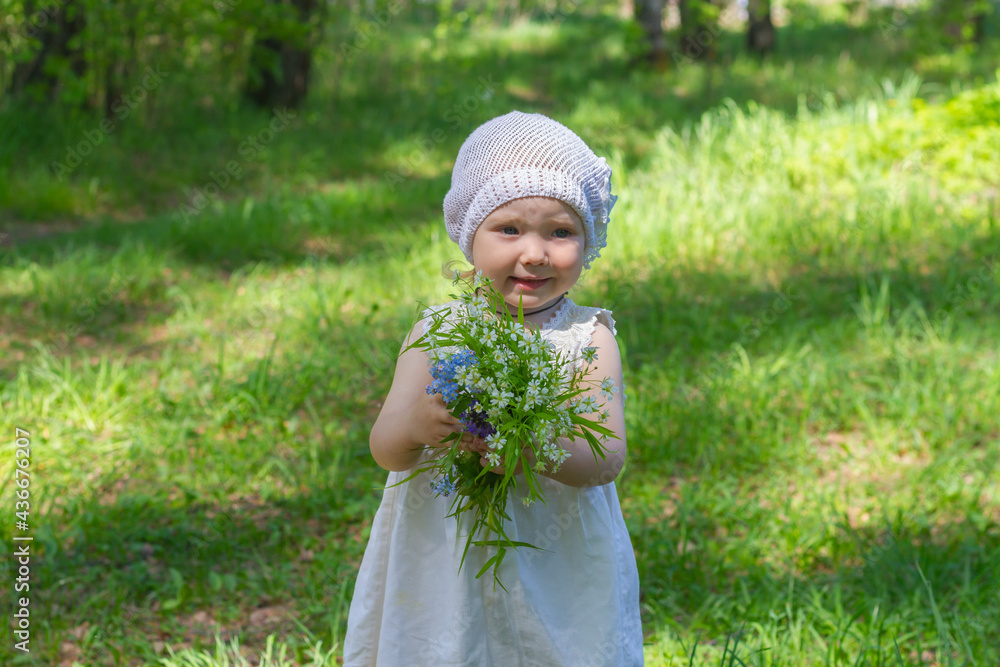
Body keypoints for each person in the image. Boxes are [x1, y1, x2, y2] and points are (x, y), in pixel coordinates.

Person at [343, 111, 642, 666]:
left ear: (589, 237)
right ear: (468, 235)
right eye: (509, 229)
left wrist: (530, 450)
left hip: (558, 553)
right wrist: (415, 427)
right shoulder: (439, 330)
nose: (534, 253)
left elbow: (608, 457)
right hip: (443, 556)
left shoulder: (588, 336)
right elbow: (385, 445)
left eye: (561, 231)